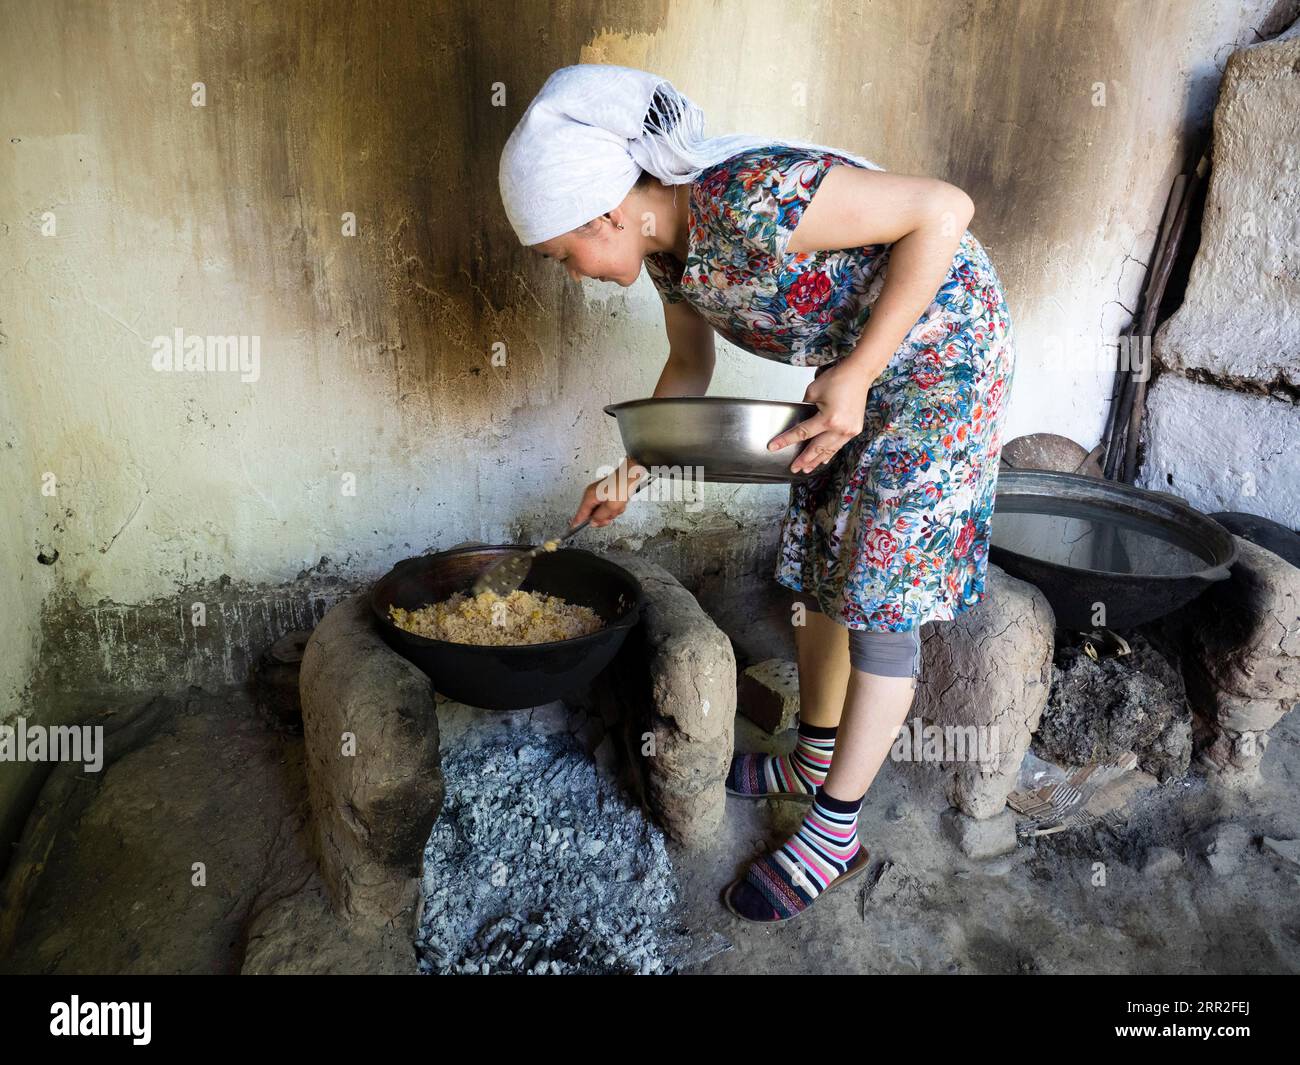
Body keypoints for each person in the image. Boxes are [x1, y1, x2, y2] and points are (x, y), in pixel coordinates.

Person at [499, 64, 1016, 923]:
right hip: (854, 378)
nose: (572, 271)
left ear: (603, 213)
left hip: (939, 362)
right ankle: (813, 757)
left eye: (563, 254)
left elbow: (945, 211)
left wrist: (854, 372)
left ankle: (835, 827)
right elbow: (690, 366)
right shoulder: (670, 253)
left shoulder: (747, 200)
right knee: (820, 565)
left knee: (883, 598)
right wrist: (630, 473)